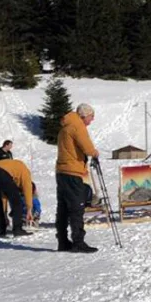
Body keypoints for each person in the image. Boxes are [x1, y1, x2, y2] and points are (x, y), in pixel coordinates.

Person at [56, 103, 100, 253]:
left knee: (62, 208)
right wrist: (94, 153)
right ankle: (78, 242)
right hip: (72, 171)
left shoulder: (66, 125)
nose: (92, 120)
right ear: (85, 115)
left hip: (61, 171)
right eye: (91, 117)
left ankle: (62, 241)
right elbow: (87, 147)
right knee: (77, 207)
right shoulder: (77, 125)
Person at [0, 158, 34, 237]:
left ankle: (2, 230)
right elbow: (28, 189)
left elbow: (3, 198)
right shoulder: (25, 173)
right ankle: (17, 229)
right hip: (1, 172)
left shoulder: (13, 172)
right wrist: (29, 209)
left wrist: (5, 214)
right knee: (16, 200)